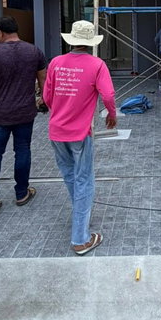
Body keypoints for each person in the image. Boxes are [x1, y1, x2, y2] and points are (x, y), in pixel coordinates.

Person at [43, 19, 117, 255]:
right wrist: (111, 115)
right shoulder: (97, 65)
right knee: (84, 180)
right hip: (80, 133)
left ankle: (80, 216)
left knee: (71, 178)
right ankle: (81, 239)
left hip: (57, 131)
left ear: (72, 40)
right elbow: (108, 94)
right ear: (91, 42)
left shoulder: (56, 62)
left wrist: (61, 110)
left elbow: (47, 96)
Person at [0, 16, 48, 217]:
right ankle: (22, 194)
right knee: (22, 150)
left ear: (0, 32)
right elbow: (43, 78)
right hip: (25, 111)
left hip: (0, 113)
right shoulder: (34, 51)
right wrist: (43, 99)